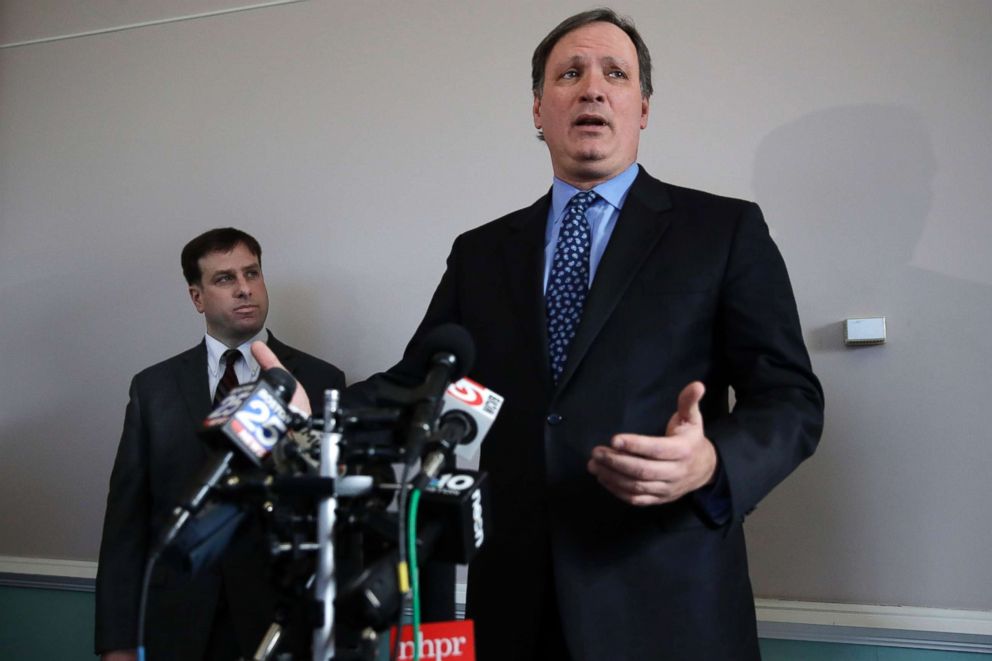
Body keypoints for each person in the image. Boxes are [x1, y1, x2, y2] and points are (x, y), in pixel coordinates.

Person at [257, 8, 823, 660]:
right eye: (569, 73)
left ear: (642, 108)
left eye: (616, 73)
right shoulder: (482, 252)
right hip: (516, 604)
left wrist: (712, 463)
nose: (592, 88)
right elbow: (424, 381)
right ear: (537, 109)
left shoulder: (722, 232)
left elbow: (789, 398)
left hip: (668, 603)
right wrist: (317, 413)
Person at [95, 228, 345, 661]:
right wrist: (117, 642)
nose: (245, 288)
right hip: (179, 622)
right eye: (225, 278)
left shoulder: (320, 381)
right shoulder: (154, 389)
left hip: (281, 622)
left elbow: (338, 520)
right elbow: (126, 523)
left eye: (252, 273)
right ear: (197, 297)